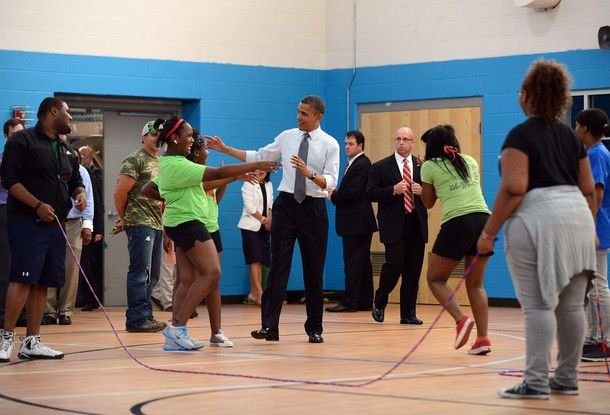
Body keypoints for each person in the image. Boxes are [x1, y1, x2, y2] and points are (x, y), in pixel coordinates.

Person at [477, 59, 596, 399]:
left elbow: (515, 186)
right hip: (578, 215)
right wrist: (587, 227)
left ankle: (535, 381)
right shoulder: (571, 138)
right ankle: (567, 378)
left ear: (526, 96)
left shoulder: (520, 135)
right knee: (572, 306)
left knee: (538, 305)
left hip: (539, 216)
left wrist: (488, 232)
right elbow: (588, 189)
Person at [207, 95, 340, 343]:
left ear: (318, 117)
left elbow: (332, 180)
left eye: (304, 114)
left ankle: (315, 328)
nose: (298, 117)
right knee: (278, 266)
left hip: (313, 209)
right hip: (286, 206)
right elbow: (258, 155)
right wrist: (225, 149)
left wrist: (310, 174)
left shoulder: (330, 144)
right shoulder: (287, 136)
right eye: (298, 111)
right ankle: (269, 326)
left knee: (314, 271)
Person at [142, 116, 279, 350]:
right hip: (188, 222)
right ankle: (176, 328)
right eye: (188, 136)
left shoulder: (172, 164)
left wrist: (173, 198)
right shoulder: (178, 165)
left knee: (188, 278)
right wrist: (257, 164)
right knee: (212, 273)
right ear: (174, 138)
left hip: (183, 221)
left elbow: (214, 180)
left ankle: (180, 332)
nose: (192, 140)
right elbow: (218, 173)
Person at [0, 97, 86, 362]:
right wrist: (37, 205)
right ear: (52, 112)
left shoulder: (66, 147)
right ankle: (6, 338)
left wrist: (80, 192)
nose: (70, 118)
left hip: (56, 224)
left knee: (43, 282)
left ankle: (32, 341)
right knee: (23, 278)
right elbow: (9, 179)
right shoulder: (22, 141)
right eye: (67, 112)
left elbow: (75, 179)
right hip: (27, 220)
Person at [419, 125, 492, 354]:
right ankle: (482, 339)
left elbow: (428, 202)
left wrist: (422, 183)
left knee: (434, 279)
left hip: (458, 222)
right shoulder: (469, 160)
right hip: (484, 219)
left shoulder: (429, 166)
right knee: (476, 283)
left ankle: (461, 320)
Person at [367, 127, 428, 325]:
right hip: (393, 224)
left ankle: (408, 314)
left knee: (413, 269)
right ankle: (380, 299)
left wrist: (422, 191)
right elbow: (370, 193)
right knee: (394, 265)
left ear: (412, 143)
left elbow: (431, 195)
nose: (401, 142)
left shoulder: (421, 166)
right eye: (398, 139)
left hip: (416, 223)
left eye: (405, 139)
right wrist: (392, 190)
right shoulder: (381, 166)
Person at [113, 120, 166, 333]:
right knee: (139, 273)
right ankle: (136, 319)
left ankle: (146, 316)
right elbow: (120, 193)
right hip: (140, 222)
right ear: (143, 137)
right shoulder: (134, 159)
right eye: (153, 134)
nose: (156, 139)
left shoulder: (161, 163)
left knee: (153, 275)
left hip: (157, 224)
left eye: (160, 136)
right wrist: (125, 217)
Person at [43, 139, 94, 325]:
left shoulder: (81, 171)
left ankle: (65, 310)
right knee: (48, 264)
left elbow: (88, 197)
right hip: (51, 220)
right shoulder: (46, 167)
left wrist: (88, 224)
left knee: (71, 268)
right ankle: (48, 310)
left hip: (73, 222)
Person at [326, 130, 377, 313]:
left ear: (360, 146)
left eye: (351, 144)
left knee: (353, 263)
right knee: (362, 263)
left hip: (357, 223)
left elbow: (352, 193)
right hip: (357, 223)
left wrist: (334, 194)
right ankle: (363, 300)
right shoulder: (354, 163)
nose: (347, 147)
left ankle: (349, 302)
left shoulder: (362, 164)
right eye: (346, 144)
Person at [574, 108, 610, 362]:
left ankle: (603, 341)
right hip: (592, 227)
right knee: (590, 286)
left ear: (584, 128)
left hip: (596, 228)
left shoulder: (597, 154)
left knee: (597, 285)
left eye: (577, 125)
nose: (575, 129)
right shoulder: (592, 153)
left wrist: (588, 225)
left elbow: (596, 193)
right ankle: (593, 337)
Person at [0, 118, 25, 327]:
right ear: (7, 135)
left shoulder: (27, 159)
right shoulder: (2, 159)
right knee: (6, 262)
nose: (19, 137)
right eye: (15, 133)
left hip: (23, 213)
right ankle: (3, 313)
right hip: (4, 210)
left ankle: (21, 312)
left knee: (21, 262)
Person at [238, 170, 273, 306]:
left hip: (264, 227)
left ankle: (253, 293)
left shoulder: (269, 185)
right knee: (255, 260)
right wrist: (263, 220)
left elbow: (271, 205)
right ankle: (259, 294)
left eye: (262, 169)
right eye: (257, 169)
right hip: (250, 227)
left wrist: (269, 219)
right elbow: (249, 207)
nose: (260, 172)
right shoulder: (248, 184)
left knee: (262, 260)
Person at [78, 145, 104, 311]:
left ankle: (93, 298)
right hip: (88, 224)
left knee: (88, 264)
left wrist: (98, 229)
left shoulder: (93, 175)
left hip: (91, 225)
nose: (80, 160)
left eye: (82, 157)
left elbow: (97, 203)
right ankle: (88, 297)